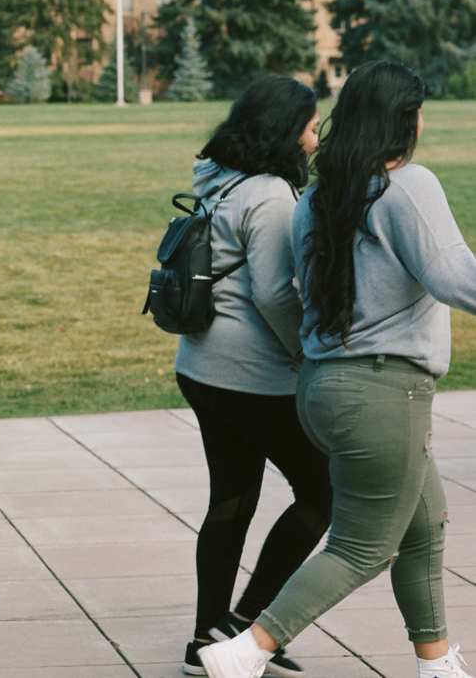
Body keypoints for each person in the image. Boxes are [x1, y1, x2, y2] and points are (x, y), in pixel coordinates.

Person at [201, 61, 476, 678]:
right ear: (404, 121)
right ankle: (246, 648)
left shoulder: (319, 196)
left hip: (324, 387)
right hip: (384, 393)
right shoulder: (408, 186)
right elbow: (454, 275)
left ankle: (437, 665)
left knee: (423, 523)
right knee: (362, 546)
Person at [172, 76, 332, 678]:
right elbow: (275, 295)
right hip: (250, 374)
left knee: (233, 498)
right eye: (312, 128)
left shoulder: (220, 178)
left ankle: (208, 635)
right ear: (285, 130)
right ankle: (247, 623)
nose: (316, 141)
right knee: (324, 492)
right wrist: (310, 352)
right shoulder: (269, 195)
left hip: (202, 365)